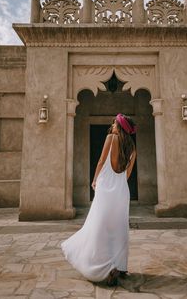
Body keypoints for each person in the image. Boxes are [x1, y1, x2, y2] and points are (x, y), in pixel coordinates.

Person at [61, 113, 137, 286]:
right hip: (121, 190)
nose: (113, 125)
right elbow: (126, 175)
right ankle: (120, 267)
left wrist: (95, 180)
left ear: (119, 127)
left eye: (115, 123)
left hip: (105, 188)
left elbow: (102, 161)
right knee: (119, 228)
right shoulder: (133, 148)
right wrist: (117, 184)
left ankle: (104, 269)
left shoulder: (111, 138)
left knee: (99, 226)